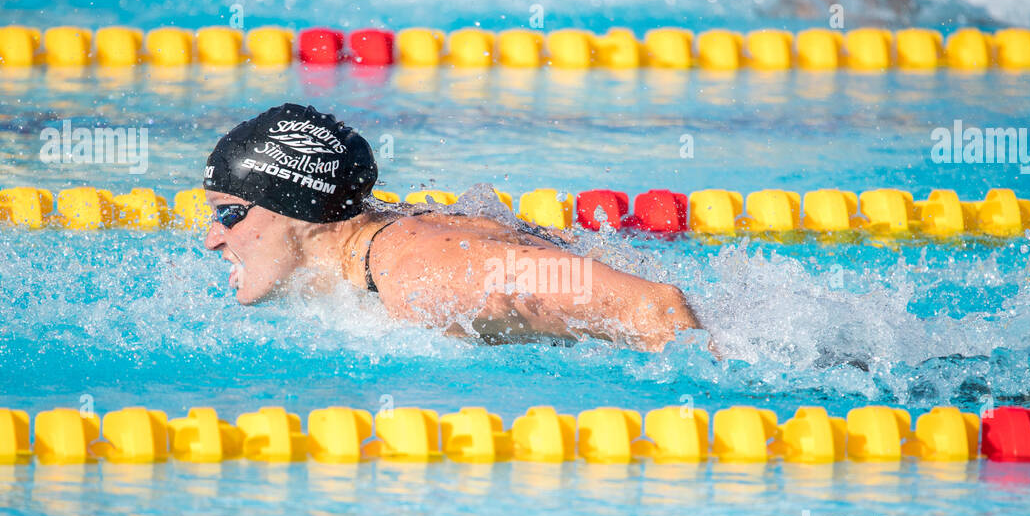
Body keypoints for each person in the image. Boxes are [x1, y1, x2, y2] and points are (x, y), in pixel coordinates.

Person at [202, 103, 703, 352]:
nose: (212, 239)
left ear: (295, 208)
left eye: (227, 214)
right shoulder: (381, 241)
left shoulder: (428, 275)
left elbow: (653, 306)